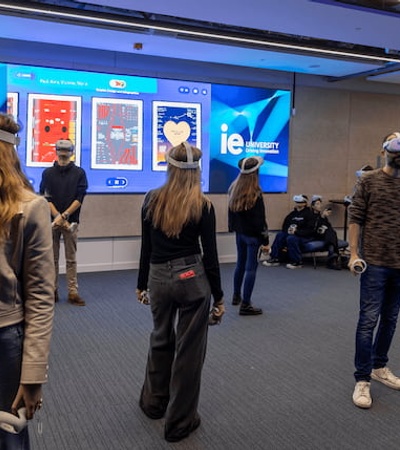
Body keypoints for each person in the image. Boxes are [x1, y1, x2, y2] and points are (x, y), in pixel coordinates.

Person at [136, 141, 224, 442]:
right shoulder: (204, 205)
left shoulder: (151, 200)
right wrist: (220, 297)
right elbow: (210, 256)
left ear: (169, 167)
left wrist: (140, 283)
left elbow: (146, 248)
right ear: (197, 170)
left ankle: (153, 403)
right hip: (192, 279)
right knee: (189, 351)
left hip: (158, 278)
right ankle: (179, 423)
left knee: (160, 338)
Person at [0, 113, 55, 449]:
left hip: (5, 339)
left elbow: (39, 296)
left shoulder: (28, 207)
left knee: (9, 438)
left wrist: (33, 374)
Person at [349, 131, 400, 409]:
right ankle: (362, 379)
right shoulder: (368, 180)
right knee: (368, 320)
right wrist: (353, 253)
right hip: (375, 263)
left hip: (399, 265)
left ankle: (380, 368)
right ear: (385, 151)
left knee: (391, 319)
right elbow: (356, 217)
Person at [40, 139, 88, 306]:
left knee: (71, 259)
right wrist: (58, 217)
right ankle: (52, 291)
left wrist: (65, 216)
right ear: (56, 151)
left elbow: (79, 198)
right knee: (51, 259)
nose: (63, 153)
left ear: (71, 152)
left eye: (66, 150)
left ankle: (72, 292)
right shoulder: (47, 173)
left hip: (71, 222)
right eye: (60, 149)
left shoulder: (79, 173)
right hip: (53, 222)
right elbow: (46, 198)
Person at [228, 156, 269, 315]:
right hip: (253, 237)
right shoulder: (255, 192)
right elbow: (260, 220)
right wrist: (265, 240)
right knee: (251, 268)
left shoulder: (233, 188)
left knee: (240, 264)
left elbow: (231, 215)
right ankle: (246, 305)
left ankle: (236, 296)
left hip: (240, 235)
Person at [264, 194, 314, 269]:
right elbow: (285, 225)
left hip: (304, 236)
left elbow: (310, 229)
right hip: (291, 233)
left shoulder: (309, 214)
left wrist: (297, 232)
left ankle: (297, 261)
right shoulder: (292, 214)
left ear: (305, 203)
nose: (298, 204)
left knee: (291, 239)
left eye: (300, 202)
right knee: (280, 235)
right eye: (297, 202)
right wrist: (288, 230)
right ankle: (275, 258)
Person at [310, 195, 341, 270]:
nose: (319, 206)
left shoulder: (321, 215)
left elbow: (327, 226)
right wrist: (322, 217)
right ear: (312, 206)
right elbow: (313, 226)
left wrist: (323, 217)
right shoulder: (309, 215)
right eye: (317, 204)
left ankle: (332, 257)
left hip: (324, 234)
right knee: (331, 233)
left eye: (320, 204)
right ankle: (333, 256)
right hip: (314, 234)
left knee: (331, 231)